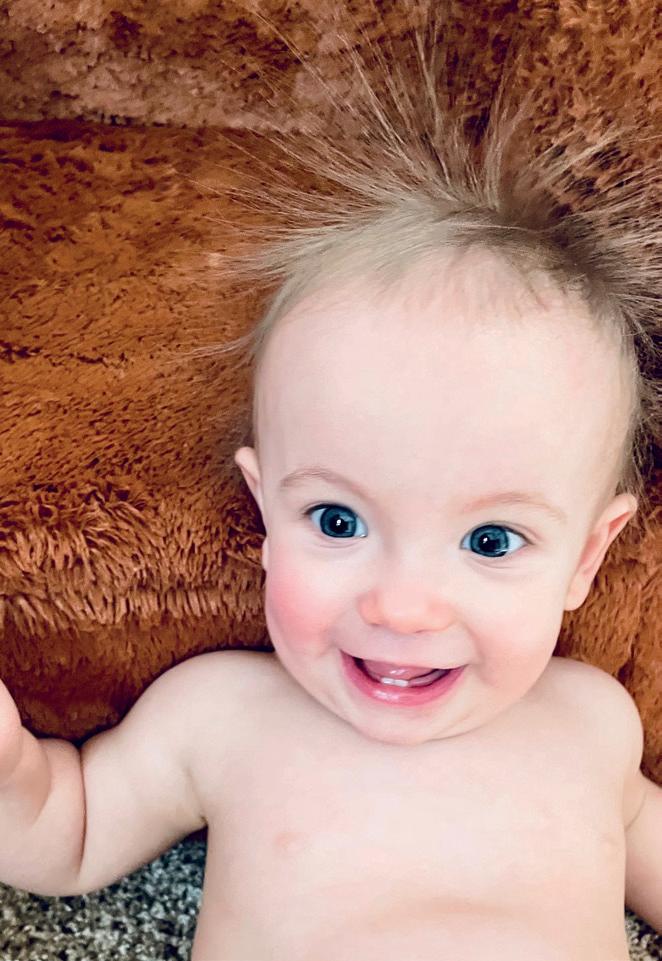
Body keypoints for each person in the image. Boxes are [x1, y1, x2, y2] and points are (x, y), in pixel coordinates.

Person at [1, 29, 660, 961]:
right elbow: (67, 837)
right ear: (265, 510)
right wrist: (11, 770)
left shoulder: (594, 722)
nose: (402, 606)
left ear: (587, 557)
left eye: (491, 540)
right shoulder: (222, 713)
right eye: (338, 520)